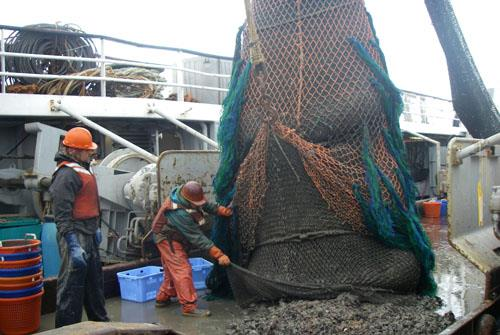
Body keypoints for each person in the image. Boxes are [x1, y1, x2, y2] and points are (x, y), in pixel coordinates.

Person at [49, 127, 109, 327]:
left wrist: (96, 227)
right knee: (70, 287)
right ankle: (66, 329)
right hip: (75, 234)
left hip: (89, 231)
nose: (91, 153)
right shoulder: (66, 175)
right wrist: (73, 244)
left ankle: (100, 325)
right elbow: (62, 215)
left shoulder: (84, 167)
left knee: (94, 284)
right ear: (74, 151)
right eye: (87, 150)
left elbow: (92, 202)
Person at [152, 181, 233, 317]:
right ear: (188, 200)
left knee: (171, 270)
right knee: (182, 270)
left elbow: (204, 204)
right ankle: (189, 307)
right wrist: (218, 255)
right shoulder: (178, 212)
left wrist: (220, 210)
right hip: (168, 240)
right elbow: (197, 238)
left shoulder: (186, 194)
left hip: (176, 238)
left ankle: (163, 297)